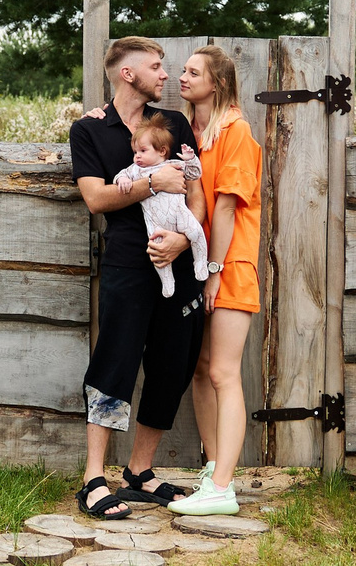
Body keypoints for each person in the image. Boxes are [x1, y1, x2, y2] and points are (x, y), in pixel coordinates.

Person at [66, 37, 205, 520]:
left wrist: (185, 241)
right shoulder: (90, 131)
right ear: (127, 74)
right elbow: (97, 199)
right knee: (115, 364)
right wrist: (152, 182)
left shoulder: (174, 124)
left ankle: (140, 473)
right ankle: (93, 479)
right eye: (155, 66)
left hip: (180, 264)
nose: (165, 75)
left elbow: (198, 192)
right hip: (128, 264)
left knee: (173, 367)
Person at [170, 44, 264, 518]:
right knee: (203, 372)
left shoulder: (237, 132)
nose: (181, 78)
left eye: (192, 72)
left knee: (224, 373)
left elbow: (225, 208)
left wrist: (213, 272)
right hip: (205, 266)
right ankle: (212, 470)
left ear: (218, 83)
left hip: (230, 265)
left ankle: (224, 486)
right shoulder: (196, 134)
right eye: (182, 71)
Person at [111, 116, 207, 298]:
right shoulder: (135, 170)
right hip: (155, 222)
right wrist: (122, 180)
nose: (137, 156)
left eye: (142, 150)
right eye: (135, 152)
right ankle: (167, 280)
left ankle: (200, 261)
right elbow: (121, 175)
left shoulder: (173, 164)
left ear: (162, 151)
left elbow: (195, 174)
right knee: (157, 252)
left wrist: (191, 158)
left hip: (179, 214)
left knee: (195, 232)